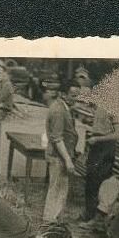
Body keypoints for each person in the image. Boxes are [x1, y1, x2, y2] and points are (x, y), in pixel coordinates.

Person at [79, 103, 119, 227]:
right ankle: (88, 214)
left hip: (105, 147)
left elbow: (118, 134)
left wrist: (98, 139)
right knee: (90, 179)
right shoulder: (100, 105)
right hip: (96, 145)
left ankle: (94, 219)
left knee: (98, 180)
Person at [42, 85, 79, 223]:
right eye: (74, 95)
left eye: (78, 95)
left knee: (61, 189)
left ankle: (54, 219)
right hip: (58, 157)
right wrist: (68, 160)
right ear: (63, 93)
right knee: (56, 190)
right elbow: (57, 138)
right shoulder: (58, 111)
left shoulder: (63, 108)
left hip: (61, 156)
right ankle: (49, 220)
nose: (77, 98)